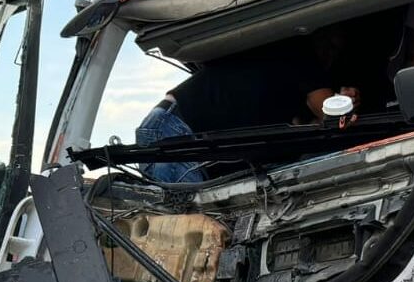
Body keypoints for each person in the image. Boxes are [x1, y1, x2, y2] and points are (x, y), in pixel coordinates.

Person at [135, 29, 363, 183]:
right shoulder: (299, 52)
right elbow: (328, 112)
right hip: (174, 130)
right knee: (194, 232)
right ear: (317, 35)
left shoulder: (281, 86)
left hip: (169, 128)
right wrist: (344, 103)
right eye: (330, 45)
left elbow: (307, 128)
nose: (330, 55)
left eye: (336, 51)